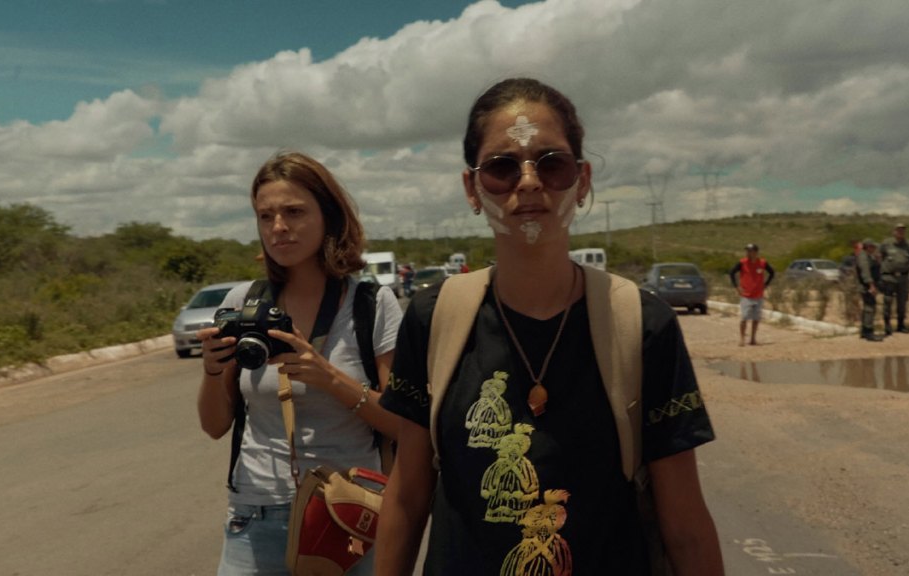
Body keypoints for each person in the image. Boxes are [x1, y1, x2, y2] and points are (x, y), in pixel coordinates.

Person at [374, 78, 723, 575]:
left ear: (582, 180)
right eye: (502, 167)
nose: (529, 181)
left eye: (551, 163)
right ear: (472, 188)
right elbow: (407, 498)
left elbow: (685, 524)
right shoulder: (434, 319)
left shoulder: (643, 325)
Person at [197, 151, 403, 576]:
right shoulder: (243, 303)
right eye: (265, 216)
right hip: (255, 514)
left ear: (329, 216)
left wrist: (329, 378)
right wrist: (213, 371)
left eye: (294, 212)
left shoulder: (371, 305)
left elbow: (402, 423)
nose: (278, 227)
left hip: (346, 515)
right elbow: (214, 426)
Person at [729, 243, 775, 346]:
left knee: (756, 318)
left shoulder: (762, 263)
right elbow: (732, 272)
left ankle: (753, 339)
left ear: (756, 252)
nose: (748, 253)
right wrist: (737, 287)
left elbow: (772, 273)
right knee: (744, 317)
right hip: (746, 295)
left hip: (758, 295)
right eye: (747, 251)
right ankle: (742, 339)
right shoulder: (742, 262)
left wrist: (766, 284)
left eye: (750, 251)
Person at [879, 223, 909, 334]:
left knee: (902, 302)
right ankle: (887, 325)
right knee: (888, 301)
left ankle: (901, 325)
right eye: (899, 230)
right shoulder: (886, 244)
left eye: (903, 230)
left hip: (903, 278)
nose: (901, 232)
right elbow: (880, 257)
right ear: (894, 231)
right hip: (889, 277)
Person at [855, 238, 884, 341]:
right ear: (868, 247)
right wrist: (871, 285)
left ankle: (864, 331)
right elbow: (865, 272)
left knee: (869, 307)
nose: (874, 249)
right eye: (873, 247)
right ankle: (868, 331)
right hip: (866, 286)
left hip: (868, 285)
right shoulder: (863, 257)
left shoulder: (868, 256)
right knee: (869, 308)